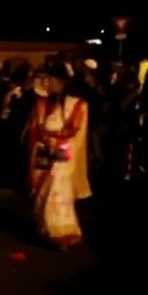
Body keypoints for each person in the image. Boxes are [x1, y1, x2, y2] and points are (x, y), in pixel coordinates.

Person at [27, 64, 85, 248]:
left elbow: (74, 128)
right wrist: (43, 137)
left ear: (62, 82)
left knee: (57, 191)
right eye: (46, 79)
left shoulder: (75, 104)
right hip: (43, 149)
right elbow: (35, 126)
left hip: (62, 151)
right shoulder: (41, 103)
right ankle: (45, 228)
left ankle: (62, 232)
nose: (48, 83)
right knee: (43, 192)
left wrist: (56, 139)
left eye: (52, 80)